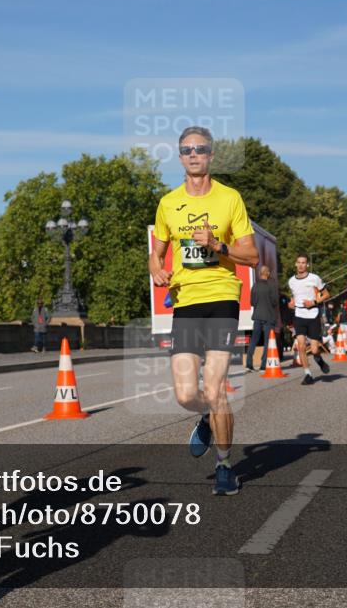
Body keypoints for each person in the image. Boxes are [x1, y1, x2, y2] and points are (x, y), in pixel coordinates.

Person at [149, 126, 258, 496]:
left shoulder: (230, 199)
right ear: (180, 157)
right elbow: (156, 252)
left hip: (222, 298)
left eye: (200, 149)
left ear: (211, 155)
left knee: (214, 388)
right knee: (184, 393)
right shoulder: (168, 203)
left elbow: (252, 255)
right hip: (185, 302)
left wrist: (217, 244)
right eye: (186, 150)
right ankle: (207, 418)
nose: (194, 154)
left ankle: (225, 466)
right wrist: (156, 269)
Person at [287, 254, 331, 385]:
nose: (301, 265)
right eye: (299, 262)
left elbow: (327, 294)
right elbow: (294, 296)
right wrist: (291, 303)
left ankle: (319, 360)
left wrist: (313, 302)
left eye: (303, 263)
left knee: (315, 349)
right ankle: (308, 374)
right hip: (299, 315)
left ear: (307, 265)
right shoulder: (291, 281)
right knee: (301, 345)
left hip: (313, 314)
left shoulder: (314, 278)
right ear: (295, 264)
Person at [245, 265, 278, 372]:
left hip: (257, 316)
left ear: (260, 274)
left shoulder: (255, 286)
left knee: (254, 339)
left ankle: (249, 364)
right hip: (268, 316)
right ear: (267, 273)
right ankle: (263, 366)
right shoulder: (272, 286)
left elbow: (252, 302)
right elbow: (274, 302)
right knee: (267, 341)